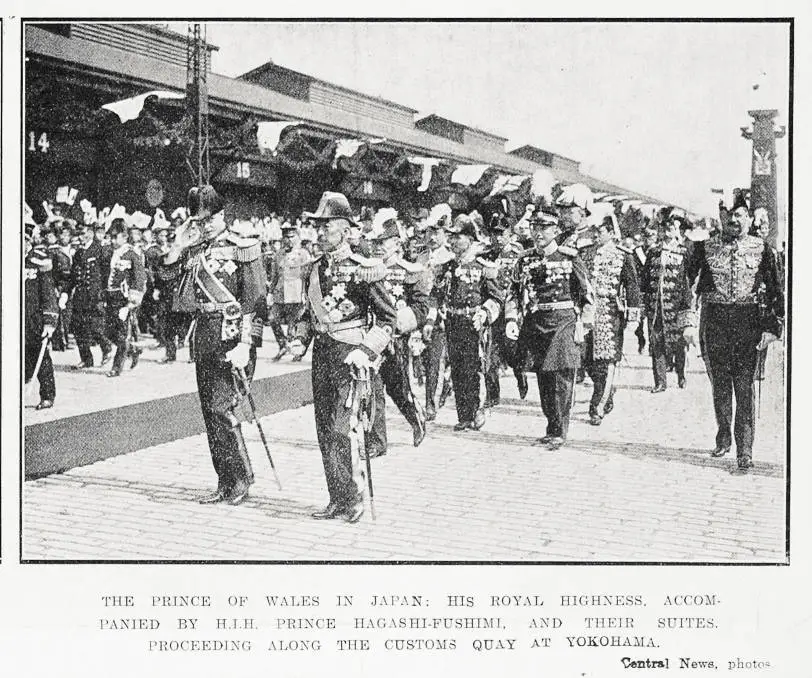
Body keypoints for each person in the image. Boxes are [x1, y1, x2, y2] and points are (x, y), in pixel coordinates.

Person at [289, 192, 396, 523]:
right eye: (317, 227)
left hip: (351, 354)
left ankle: (353, 497)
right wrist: (301, 338)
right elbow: (310, 311)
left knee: (342, 427)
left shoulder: (365, 269)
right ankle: (336, 497)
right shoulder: (315, 268)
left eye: (327, 227)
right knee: (323, 428)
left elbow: (387, 318)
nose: (320, 233)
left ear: (347, 230)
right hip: (322, 352)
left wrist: (366, 351)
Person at [168, 185, 267, 505]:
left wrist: (247, 342)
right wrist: (178, 244)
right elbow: (166, 275)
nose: (205, 225)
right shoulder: (195, 250)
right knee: (210, 412)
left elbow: (256, 298)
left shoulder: (243, 247)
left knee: (222, 409)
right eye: (199, 220)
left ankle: (241, 477)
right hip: (206, 337)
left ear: (222, 215)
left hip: (233, 337)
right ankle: (225, 480)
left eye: (210, 219)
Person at [681, 194, 784, 471]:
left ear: (749, 218)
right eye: (727, 214)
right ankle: (724, 432)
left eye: (739, 214)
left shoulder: (764, 250)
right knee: (721, 385)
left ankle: (745, 447)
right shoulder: (703, 249)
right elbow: (687, 288)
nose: (733, 220)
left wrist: (772, 328)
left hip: (748, 324)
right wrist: (688, 323)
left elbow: (776, 293)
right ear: (720, 217)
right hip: (714, 323)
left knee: (745, 386)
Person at [504, 205, 592, 449]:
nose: (538, 233)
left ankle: (560, 430)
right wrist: (511, 319)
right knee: (543, 376)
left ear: (555, 230)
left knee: (561, 377)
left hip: (564, 322)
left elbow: (587, 294)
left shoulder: (570, 257)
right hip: (536, 322)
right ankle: (551, 425)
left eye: (544, 228)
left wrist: (584, 325)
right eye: (535, 228)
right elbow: (513, 292)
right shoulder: (525, 259)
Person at [364, 209, 431, 456]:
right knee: (371, 389)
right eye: (375, 242)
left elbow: (421, 307)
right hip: (371, 339)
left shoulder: (409, 272)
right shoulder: (367, 269)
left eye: (384, 242)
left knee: (398, 388)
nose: (379, 247)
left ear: (397, 243)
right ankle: (377, 442)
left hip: (396, 341)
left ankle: (416, 418)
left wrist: (402, 322)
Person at [437, 213, 503, 431]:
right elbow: (438, 294)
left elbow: (496, 297)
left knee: (475, 368)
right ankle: (463, 415)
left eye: (458, 237)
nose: (453, 241)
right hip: (453, 322)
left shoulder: (482, 266)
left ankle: (477, 409)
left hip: (475, 324)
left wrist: (485, 313)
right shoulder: (446, 267)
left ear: (470, 239)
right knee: (457, 369)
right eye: (451, 237)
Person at [580, 215, 641, 426]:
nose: (596, 234)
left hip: (610, 314)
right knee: (587, 359)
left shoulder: (623, 256)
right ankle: (606, 390)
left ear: (611, 232)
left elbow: (632, 285)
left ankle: (597, 407)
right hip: (586, 313)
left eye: (601, 230)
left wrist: (634, 315)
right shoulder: (584, 252)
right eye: (595, 230)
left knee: (605, 361)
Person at [480, 196, 528, 404]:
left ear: (510, 234)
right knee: (490, 352)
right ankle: (493, 395)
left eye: (502, 234)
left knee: (512, 349)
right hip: (492, 309)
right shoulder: (486, 255)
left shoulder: (518, 254)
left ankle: (520, 374)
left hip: (512, 309)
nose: (498, 238)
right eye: (494, 234)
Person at [640, 207, 692, 392]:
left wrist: (687, 306)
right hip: (655, 305)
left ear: (677, 231)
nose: (668, 232)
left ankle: (681, 373)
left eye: (672, 228)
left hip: (675, 305)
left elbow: (687, 280)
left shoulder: (684, 252)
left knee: (678, 342)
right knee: (657, 342)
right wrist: (643, 301)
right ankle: (660, 381)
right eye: (666, 228)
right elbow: (645, 278)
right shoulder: (653, 251)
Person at [61, 221, 112, 368]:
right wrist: (66, 292)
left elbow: (106, 274)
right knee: (78, 328)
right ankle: (86, 359)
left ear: (90, 233)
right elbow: (73, 276)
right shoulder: (79, 252)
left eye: (83, 234)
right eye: (79, 234)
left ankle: (106, 348)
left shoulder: (100, 250)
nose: (81, 237)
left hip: (95, 295)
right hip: (80, 296)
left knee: (95, 327)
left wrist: (104, 294)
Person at [421, 210, 455, 421]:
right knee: (421, 362)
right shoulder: (418, 255)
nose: (432, 237)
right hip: (417, 313)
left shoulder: (451, 259)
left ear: (445, 234)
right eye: (429, 232)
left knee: (435, 361)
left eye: (437, 233)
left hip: (440, 317)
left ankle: (429, 404)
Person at [104, 219, 147, 377]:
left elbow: (139, 278)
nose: (113, 241)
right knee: (108, 332)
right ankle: (133, 348)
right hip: (110, 297)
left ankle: (116, 367)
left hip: (124, 299)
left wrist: (131, 304)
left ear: (124, 237)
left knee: (122, 335)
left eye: (116, 237)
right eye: (112, 237)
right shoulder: (109, 252)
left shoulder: (132, 254)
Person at [25, 230, 59, 409]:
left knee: (41, 355)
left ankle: (47, 395)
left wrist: (49, 321)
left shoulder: (37, 260)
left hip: (34, 319)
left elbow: (47, 292)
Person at [267, 224, 311, 361]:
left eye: (292, 237)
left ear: (298, 237)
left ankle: (296, 350)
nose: (289, 240)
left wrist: (305, 293)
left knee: (293, 324)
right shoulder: (278, 254)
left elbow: (307, 276)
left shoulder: (303, 254)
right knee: (272, 318)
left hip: (297, 292)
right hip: (280, 292)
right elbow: (274, 275)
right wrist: (270, 292)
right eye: (286, 237)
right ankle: (283, 345)